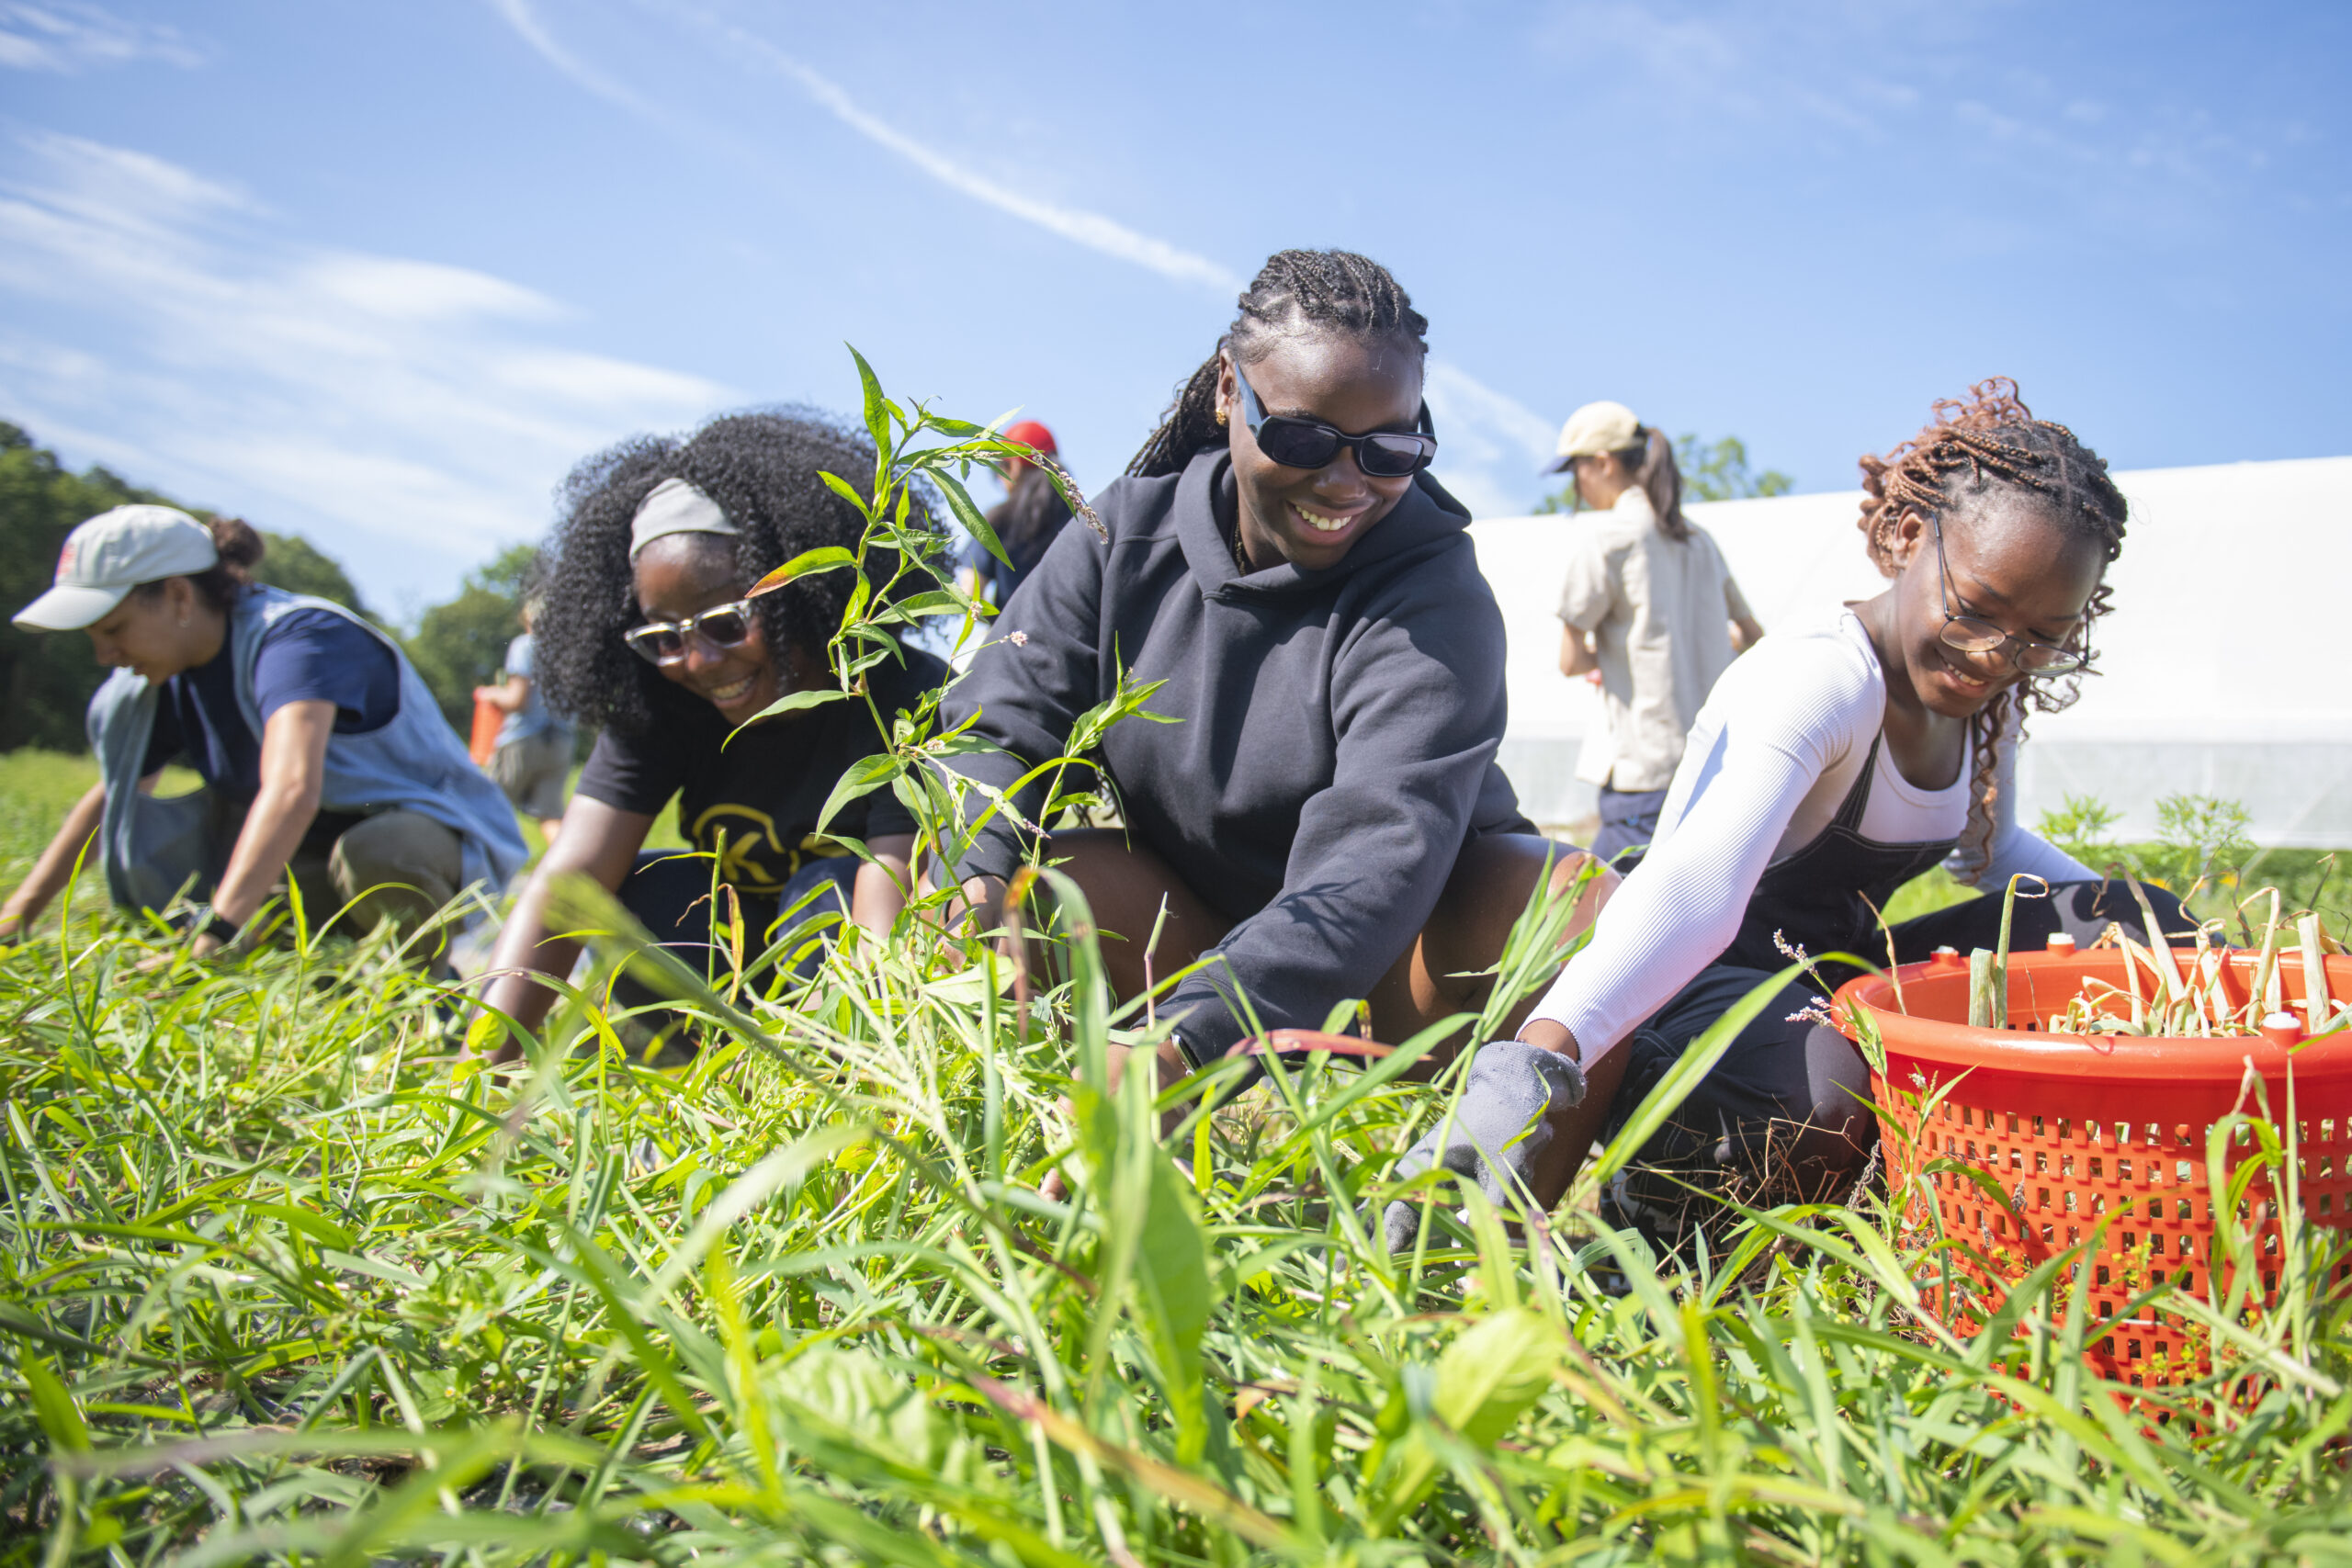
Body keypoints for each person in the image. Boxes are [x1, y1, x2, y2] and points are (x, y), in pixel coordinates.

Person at [1389, 379, 2190, 1247]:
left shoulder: (1983, 700)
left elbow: (1992, 855)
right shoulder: (1821, 678)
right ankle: (1654, 1228)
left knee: (2136, 921)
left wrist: (2182, 940)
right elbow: (1694, 888)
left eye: (2043, 635)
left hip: (1828, 977)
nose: (1998, 653)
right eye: (1977, 608)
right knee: (1823, 1086)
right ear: (1910, 537)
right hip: (1692, 988)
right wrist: (1539, 1059)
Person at [938, 249, 1613, 1138]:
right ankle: (1061, 1162)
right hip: (1194, 919)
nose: (1345, 483)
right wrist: (969, 887)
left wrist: (1184, 1040)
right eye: (1302, 438)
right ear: (1228, 390)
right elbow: (996, 724)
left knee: (1575, 905)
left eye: (1390, 449)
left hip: (1404, 956)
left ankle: (1455, 1224)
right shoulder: (1122, 539)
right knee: (1025, 894)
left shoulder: (1432, 594)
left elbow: (1375, 862)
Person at [477, 411, 949, 1048]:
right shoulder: (660, 700)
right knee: (634, 898)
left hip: (856, 968)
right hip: (734, 958)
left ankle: (817, 1082)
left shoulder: (898, 693)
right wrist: (479, 1070)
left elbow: (886, 903)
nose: (696, 660)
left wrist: (884, 1077)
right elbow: (571, 879)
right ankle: (716, 1072)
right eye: (663, 637)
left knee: (825, 893)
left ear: (806, 590)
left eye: (727, 622)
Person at [0, 507, 526, 960]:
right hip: (313, 862)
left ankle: (435, 992)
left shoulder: (297, 642)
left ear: (180, 597)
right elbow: (111, 801)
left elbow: (292, 790)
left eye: (114, 630)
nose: (104, 656)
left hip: (440, 846)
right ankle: (334, 982)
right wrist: (17, 919)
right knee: (263, 919)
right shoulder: (170, 677)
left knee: (376, 853)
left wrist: (219, 931)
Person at [1548, 401, 1763, 865]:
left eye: (1575, 470)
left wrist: (1607, 660)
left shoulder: (1612, 540)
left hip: (1644, 773)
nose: (1577, 485)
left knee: (1603, 917)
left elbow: (1570, 661)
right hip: (1711, 767)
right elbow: (1752, 637)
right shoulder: (1699, 540)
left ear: (1603, 463)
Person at [474, 588, 573, 844]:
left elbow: (517, 701)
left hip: (523, 738)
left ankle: (486, 878)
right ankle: (572, 877)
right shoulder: (570, 651)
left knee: (489, 808)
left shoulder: (525, 645)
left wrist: (491, 694)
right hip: (560, 740)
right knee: (551, 815)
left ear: (531, 619)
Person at [958, 420, 1075, 609]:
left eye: (999, 468)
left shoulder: (999, 520)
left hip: (1012, 637)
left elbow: (968, 594)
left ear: (1014, 466)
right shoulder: (1079, 519)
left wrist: (1000, 624)